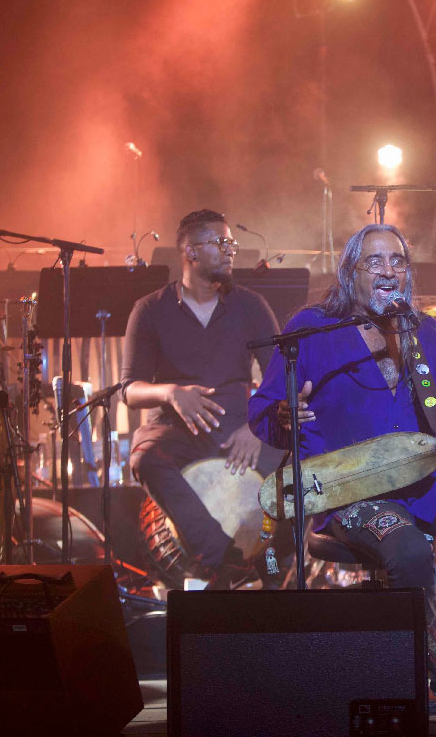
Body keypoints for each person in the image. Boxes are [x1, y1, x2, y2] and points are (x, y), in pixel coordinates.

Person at [248, 223, 436, 711]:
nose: (389, 270)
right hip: (349, 492)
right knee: (409, 551)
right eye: (375, 261)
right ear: (351, 271)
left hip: (423, 482)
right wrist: (285, 415)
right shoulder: (311, 327)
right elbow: (264, 412)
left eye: (398, 261)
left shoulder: (424, 331)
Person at [121, 208, 280, 587]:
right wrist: (171, 393)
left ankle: (275, 572)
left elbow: (279, 380)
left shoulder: (251, 306)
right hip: (178, 432)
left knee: (300, 455)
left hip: (241, 431)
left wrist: (255, 428)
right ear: (190, 251)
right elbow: (129, 389)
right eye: (220, 243)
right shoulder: (150, 310)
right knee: (145, 457)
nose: (230, 251)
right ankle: (225, 559)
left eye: (231, 243)